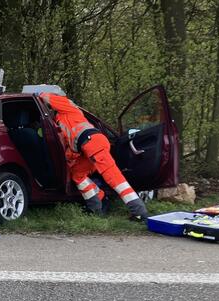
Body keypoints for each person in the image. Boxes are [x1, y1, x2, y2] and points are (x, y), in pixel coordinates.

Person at [37, 88, 149, 221]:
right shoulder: (59, 120)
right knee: (77, 174)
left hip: (93, 142)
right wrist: (69, 160)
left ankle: (139, 212)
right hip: (85, 148)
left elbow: (52, 100)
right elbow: (71, 143)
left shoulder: (66, 106)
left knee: (114, 178)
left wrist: (40, 93)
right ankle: (96, 206)